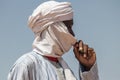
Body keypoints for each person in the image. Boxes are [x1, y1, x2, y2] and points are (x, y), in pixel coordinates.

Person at [8, 1, 99, 80]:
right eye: (68, 27)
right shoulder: (26, 65)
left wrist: (88, 68)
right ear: (53, 28)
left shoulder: (64, 68)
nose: (73, 34)